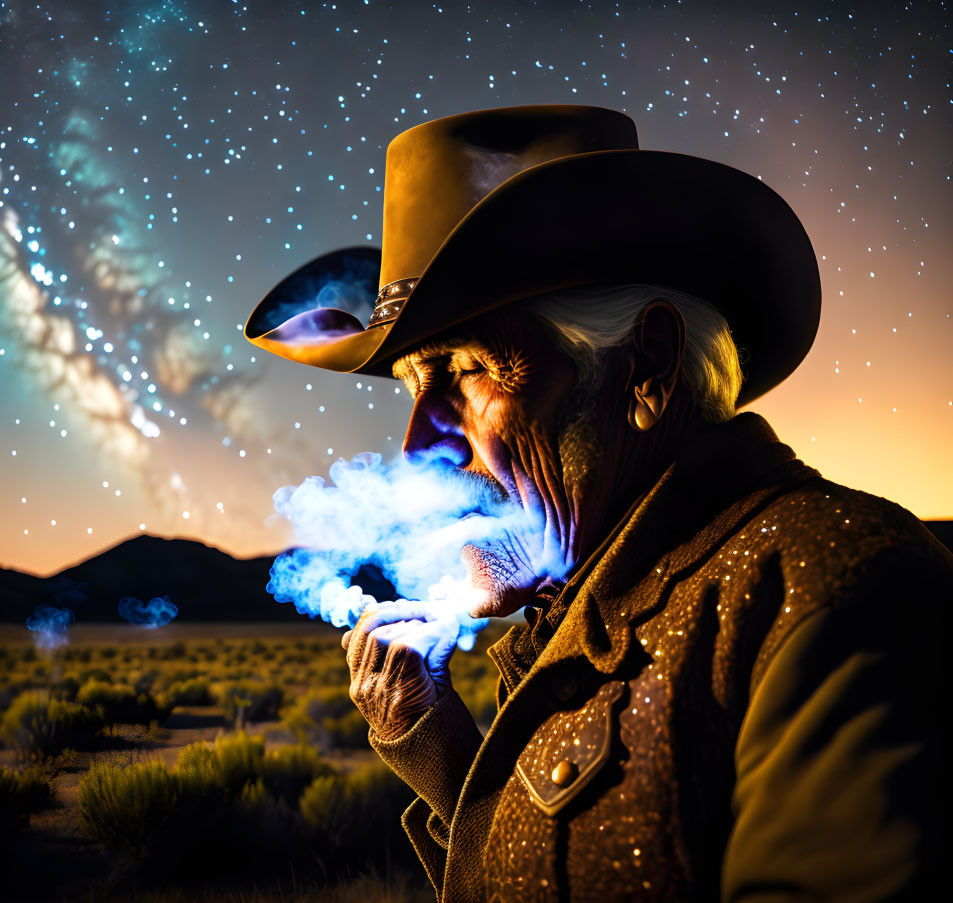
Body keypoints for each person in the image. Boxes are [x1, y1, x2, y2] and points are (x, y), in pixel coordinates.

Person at [245, 106, 949, 901]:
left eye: (470, 370)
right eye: (414, 383)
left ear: (644, 369)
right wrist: (437, 744)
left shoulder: (829, 585)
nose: (417, 443)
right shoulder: (579, 606)